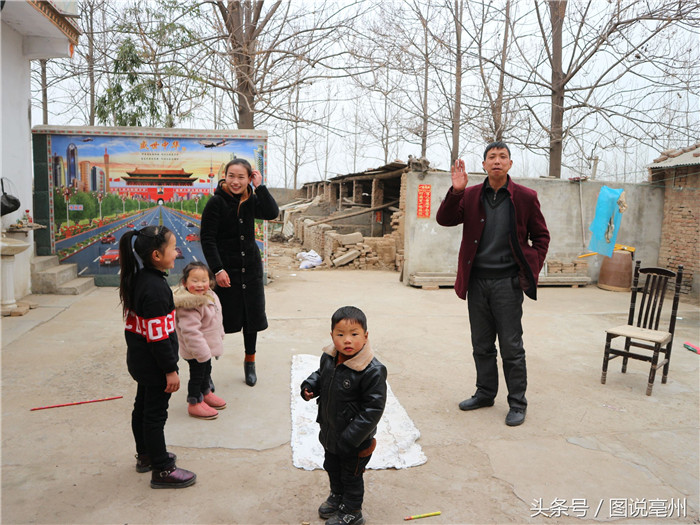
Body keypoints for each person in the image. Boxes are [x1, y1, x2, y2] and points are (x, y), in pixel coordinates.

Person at [435, 141, 550, 427]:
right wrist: (456, 191)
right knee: (481, 344)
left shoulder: (525, 197)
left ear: (510, 164)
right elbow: (445, 219)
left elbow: (541, 237)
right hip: (478, 283)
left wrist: (528, 265)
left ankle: (517, 403)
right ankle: (485, 393)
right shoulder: (471, 195)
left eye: (502, 157)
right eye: (491, 157)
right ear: (484, 165)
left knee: (511, 346)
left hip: (507, 284)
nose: (497, 161)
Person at [118, 225, 196, 489]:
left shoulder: (138, 279)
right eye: (173, 248)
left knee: (142, 408)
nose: (177, 252)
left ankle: (146, 456)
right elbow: (160, 338)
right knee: (154, 415)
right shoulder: (156, 289)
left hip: (139, 360)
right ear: (156, 256)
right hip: (154, 365)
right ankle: (162, 469)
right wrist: (170, 370)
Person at [301, 306, 387, 525]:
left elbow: (373, 410)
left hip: (355, 440)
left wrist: (351, 438)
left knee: (351, 475)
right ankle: (337, 497)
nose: (347, 340)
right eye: (340, 335)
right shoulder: (329, 357)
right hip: (330, 431)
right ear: (332, 336)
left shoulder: (372, 370)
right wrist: (311, 386)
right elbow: (321, 376)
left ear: (366, 336)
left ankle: (352, 511)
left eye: (354, 334)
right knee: (332, 467)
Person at [200, 158, 279, 387]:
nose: (236, 181)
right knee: (214, 323)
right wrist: (218, 270)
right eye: (231, 176)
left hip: (250, 270)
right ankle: (205, 372)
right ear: (224, 176)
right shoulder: (216, 203)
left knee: (251, 319)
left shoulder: (251, 200)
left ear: (249, 179)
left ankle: (250, 362)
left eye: (241, 177)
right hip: (226, 271)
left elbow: (272, 212)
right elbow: (207, 239)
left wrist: (260, 186)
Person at [173, 262, 226, 420]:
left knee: (206, 372)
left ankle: (206, 393)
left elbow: (217, 318)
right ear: (185, 283)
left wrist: (220, 333)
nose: (200, 285)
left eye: (204, 280)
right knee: (197, 375)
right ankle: (194, 402)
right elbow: (190, 332)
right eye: (194, 281)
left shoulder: (209, 295)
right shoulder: (189, 304)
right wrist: (201, 353)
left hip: (206, 348)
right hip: (195, 350)